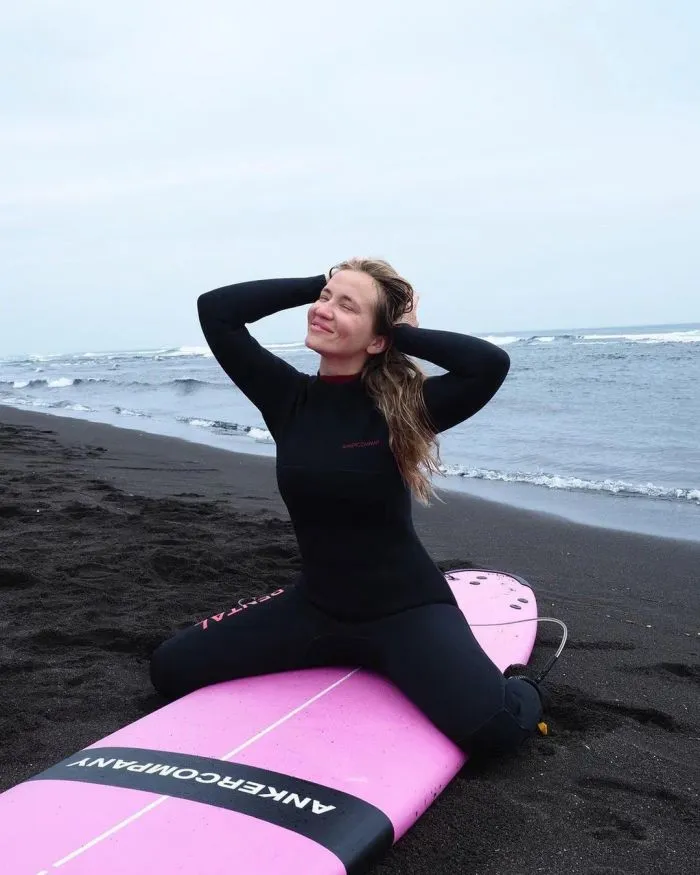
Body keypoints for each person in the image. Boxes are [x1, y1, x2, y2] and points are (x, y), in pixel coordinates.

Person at [149, 257, 545, 758]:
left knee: (496, 732)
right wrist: (324, 282)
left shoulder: (405, 409)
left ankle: (523, 687)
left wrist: (401, 332)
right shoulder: (287, 398)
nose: (323, 309)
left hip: (406, 612)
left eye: (346, 306)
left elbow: (488, 364)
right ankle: (344, 650)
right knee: (170, 668)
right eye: (324, 299)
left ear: (378, 340)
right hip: (317, 608)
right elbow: (217, 310)